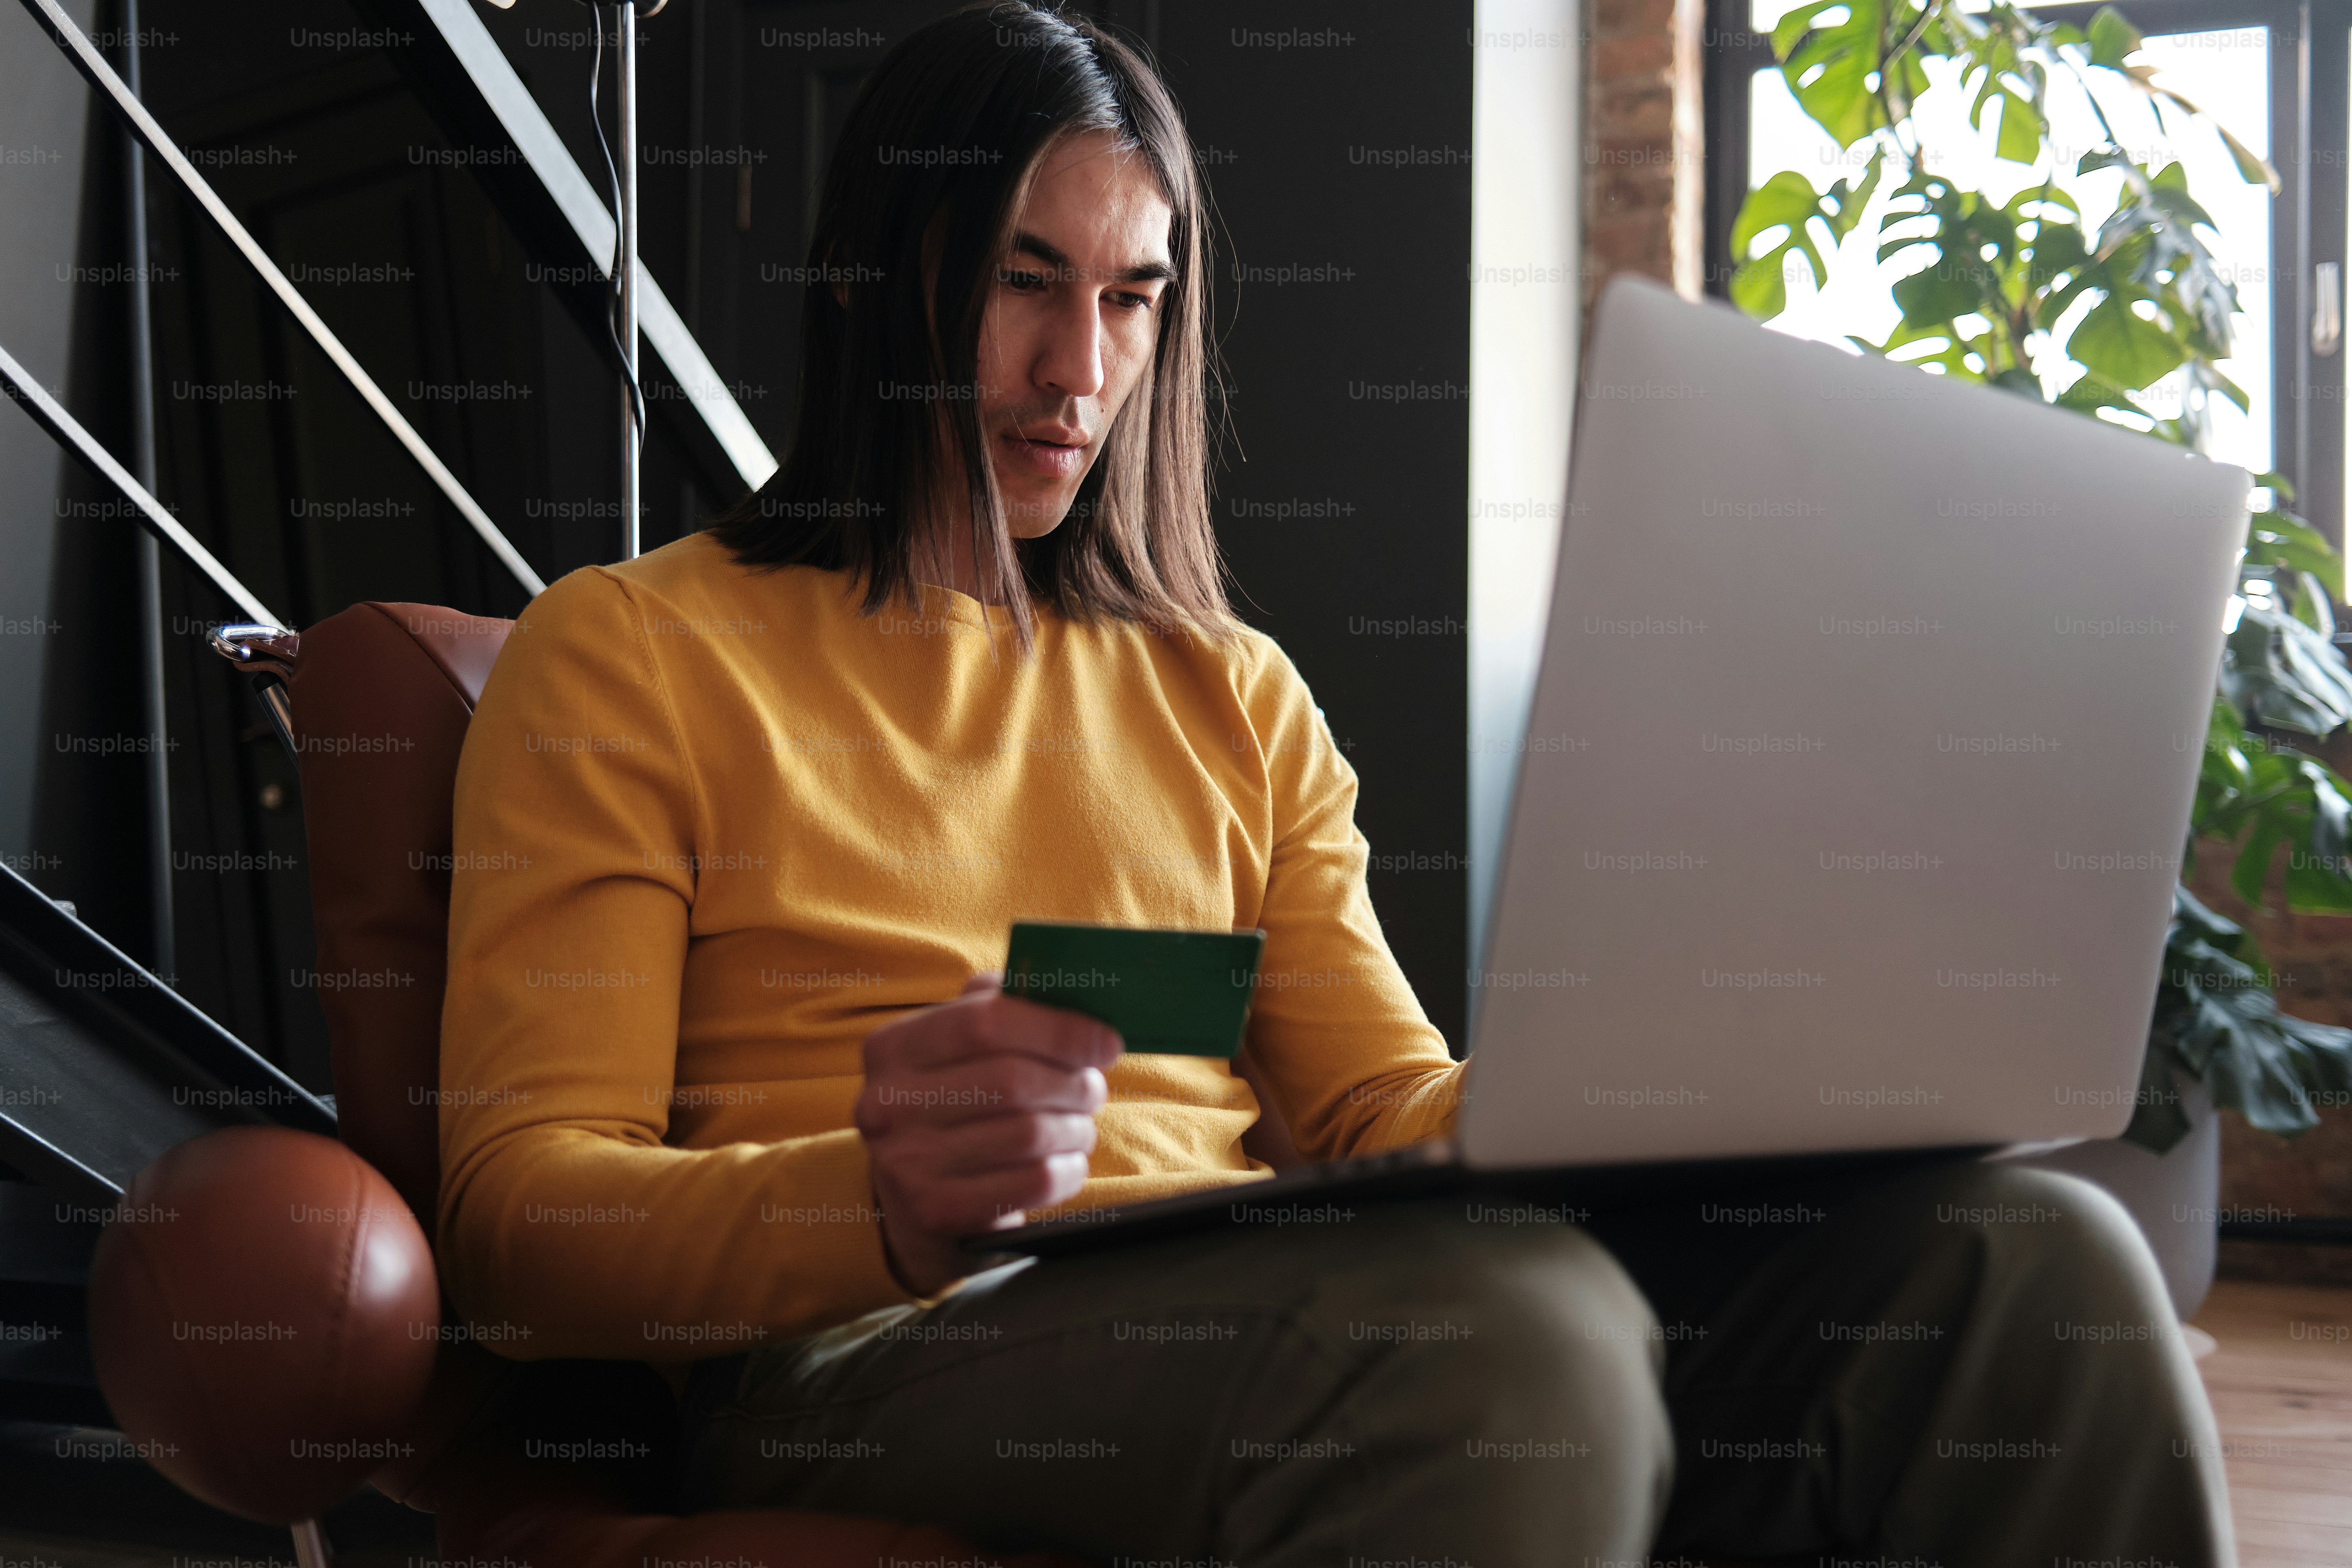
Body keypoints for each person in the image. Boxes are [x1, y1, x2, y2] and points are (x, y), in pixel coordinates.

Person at [435, 4, 2236, 1563]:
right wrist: (874, 1200)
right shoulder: (633, 654)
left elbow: (1380, 1103)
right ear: (872, 273)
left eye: (1133, 300)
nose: (1081, 375)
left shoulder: (1230, 698)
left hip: (1269, 1308)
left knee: (2032, 1275)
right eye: (1022, 284)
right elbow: (515, 1222)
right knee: (1500, 1337)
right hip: (866, 1343)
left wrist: (1681, 1082)